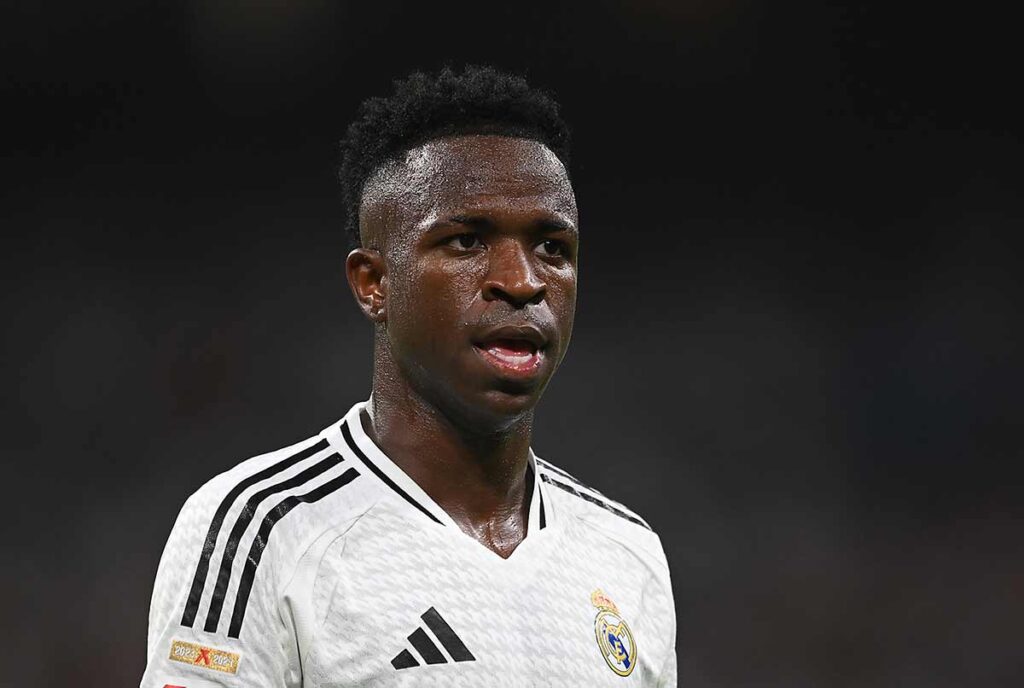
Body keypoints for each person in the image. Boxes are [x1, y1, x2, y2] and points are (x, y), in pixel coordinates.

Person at [141, 65, 676, 687]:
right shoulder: (260, 530)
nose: (522, 281)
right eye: (467, 241)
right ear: (374, 283)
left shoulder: (628, 554)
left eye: (552, 248)